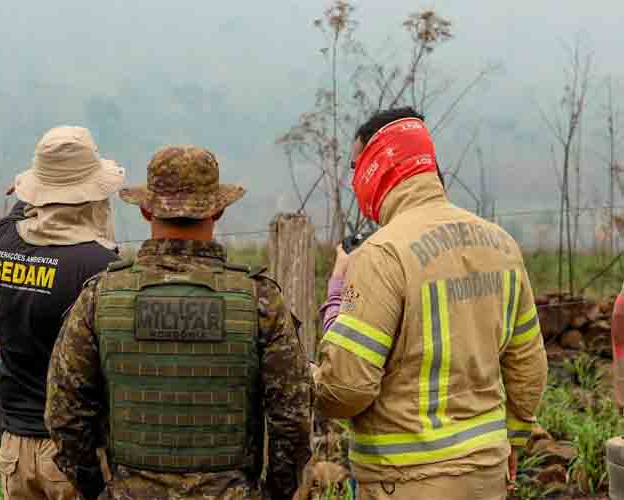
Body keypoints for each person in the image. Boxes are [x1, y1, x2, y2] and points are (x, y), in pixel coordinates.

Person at [45, 145, 312, 500]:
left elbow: (65, 414)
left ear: (145, 210)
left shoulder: (100, 297)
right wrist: (274, 493)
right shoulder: (259, 299)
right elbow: (292, 418)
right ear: (218, 210)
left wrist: (98, 490)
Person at [313, 107, 548, 500]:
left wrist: (335, 299)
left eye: (355, 166)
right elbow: (529, 367)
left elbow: (346, 389)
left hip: (406, 481)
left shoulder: (382, 255)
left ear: (375, 166)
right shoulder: (502, 244)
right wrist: (514, 438)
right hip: (487, 476)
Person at [0, 126, 125, 500]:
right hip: (72, 451)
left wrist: (34, 188)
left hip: (13, 446)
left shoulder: (0, 241)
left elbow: (19, 214)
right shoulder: (99, 267)